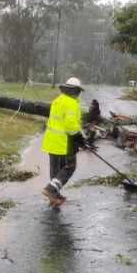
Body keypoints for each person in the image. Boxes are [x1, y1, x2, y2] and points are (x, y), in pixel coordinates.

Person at [41, 77, 86, 206]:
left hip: (51, 142)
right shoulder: (71, 103)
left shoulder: (57, 100)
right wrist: (79, 137)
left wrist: (81, 136)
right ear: (75, 91)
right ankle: (50, 190)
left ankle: (53, 194)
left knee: (56, 169)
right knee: (70, 166)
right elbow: (70, 126)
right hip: (64, 143)